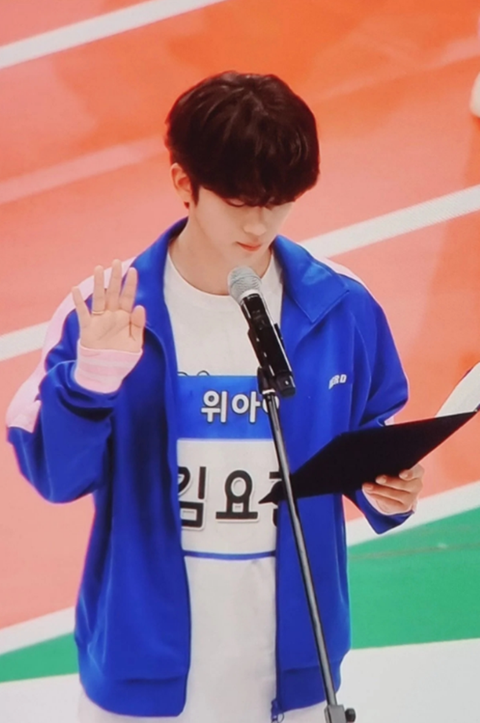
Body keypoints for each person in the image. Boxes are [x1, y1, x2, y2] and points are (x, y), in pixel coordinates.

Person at [6, 72, 423, 723]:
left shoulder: (340, 308)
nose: (260, 223)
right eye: (239, 201)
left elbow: (370, 433)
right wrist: (91, 381)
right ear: (184, 183)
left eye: (279, 202)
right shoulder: (103, 314)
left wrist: (388, 488)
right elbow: (55, 475)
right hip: (145, 681)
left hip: (297, 672)